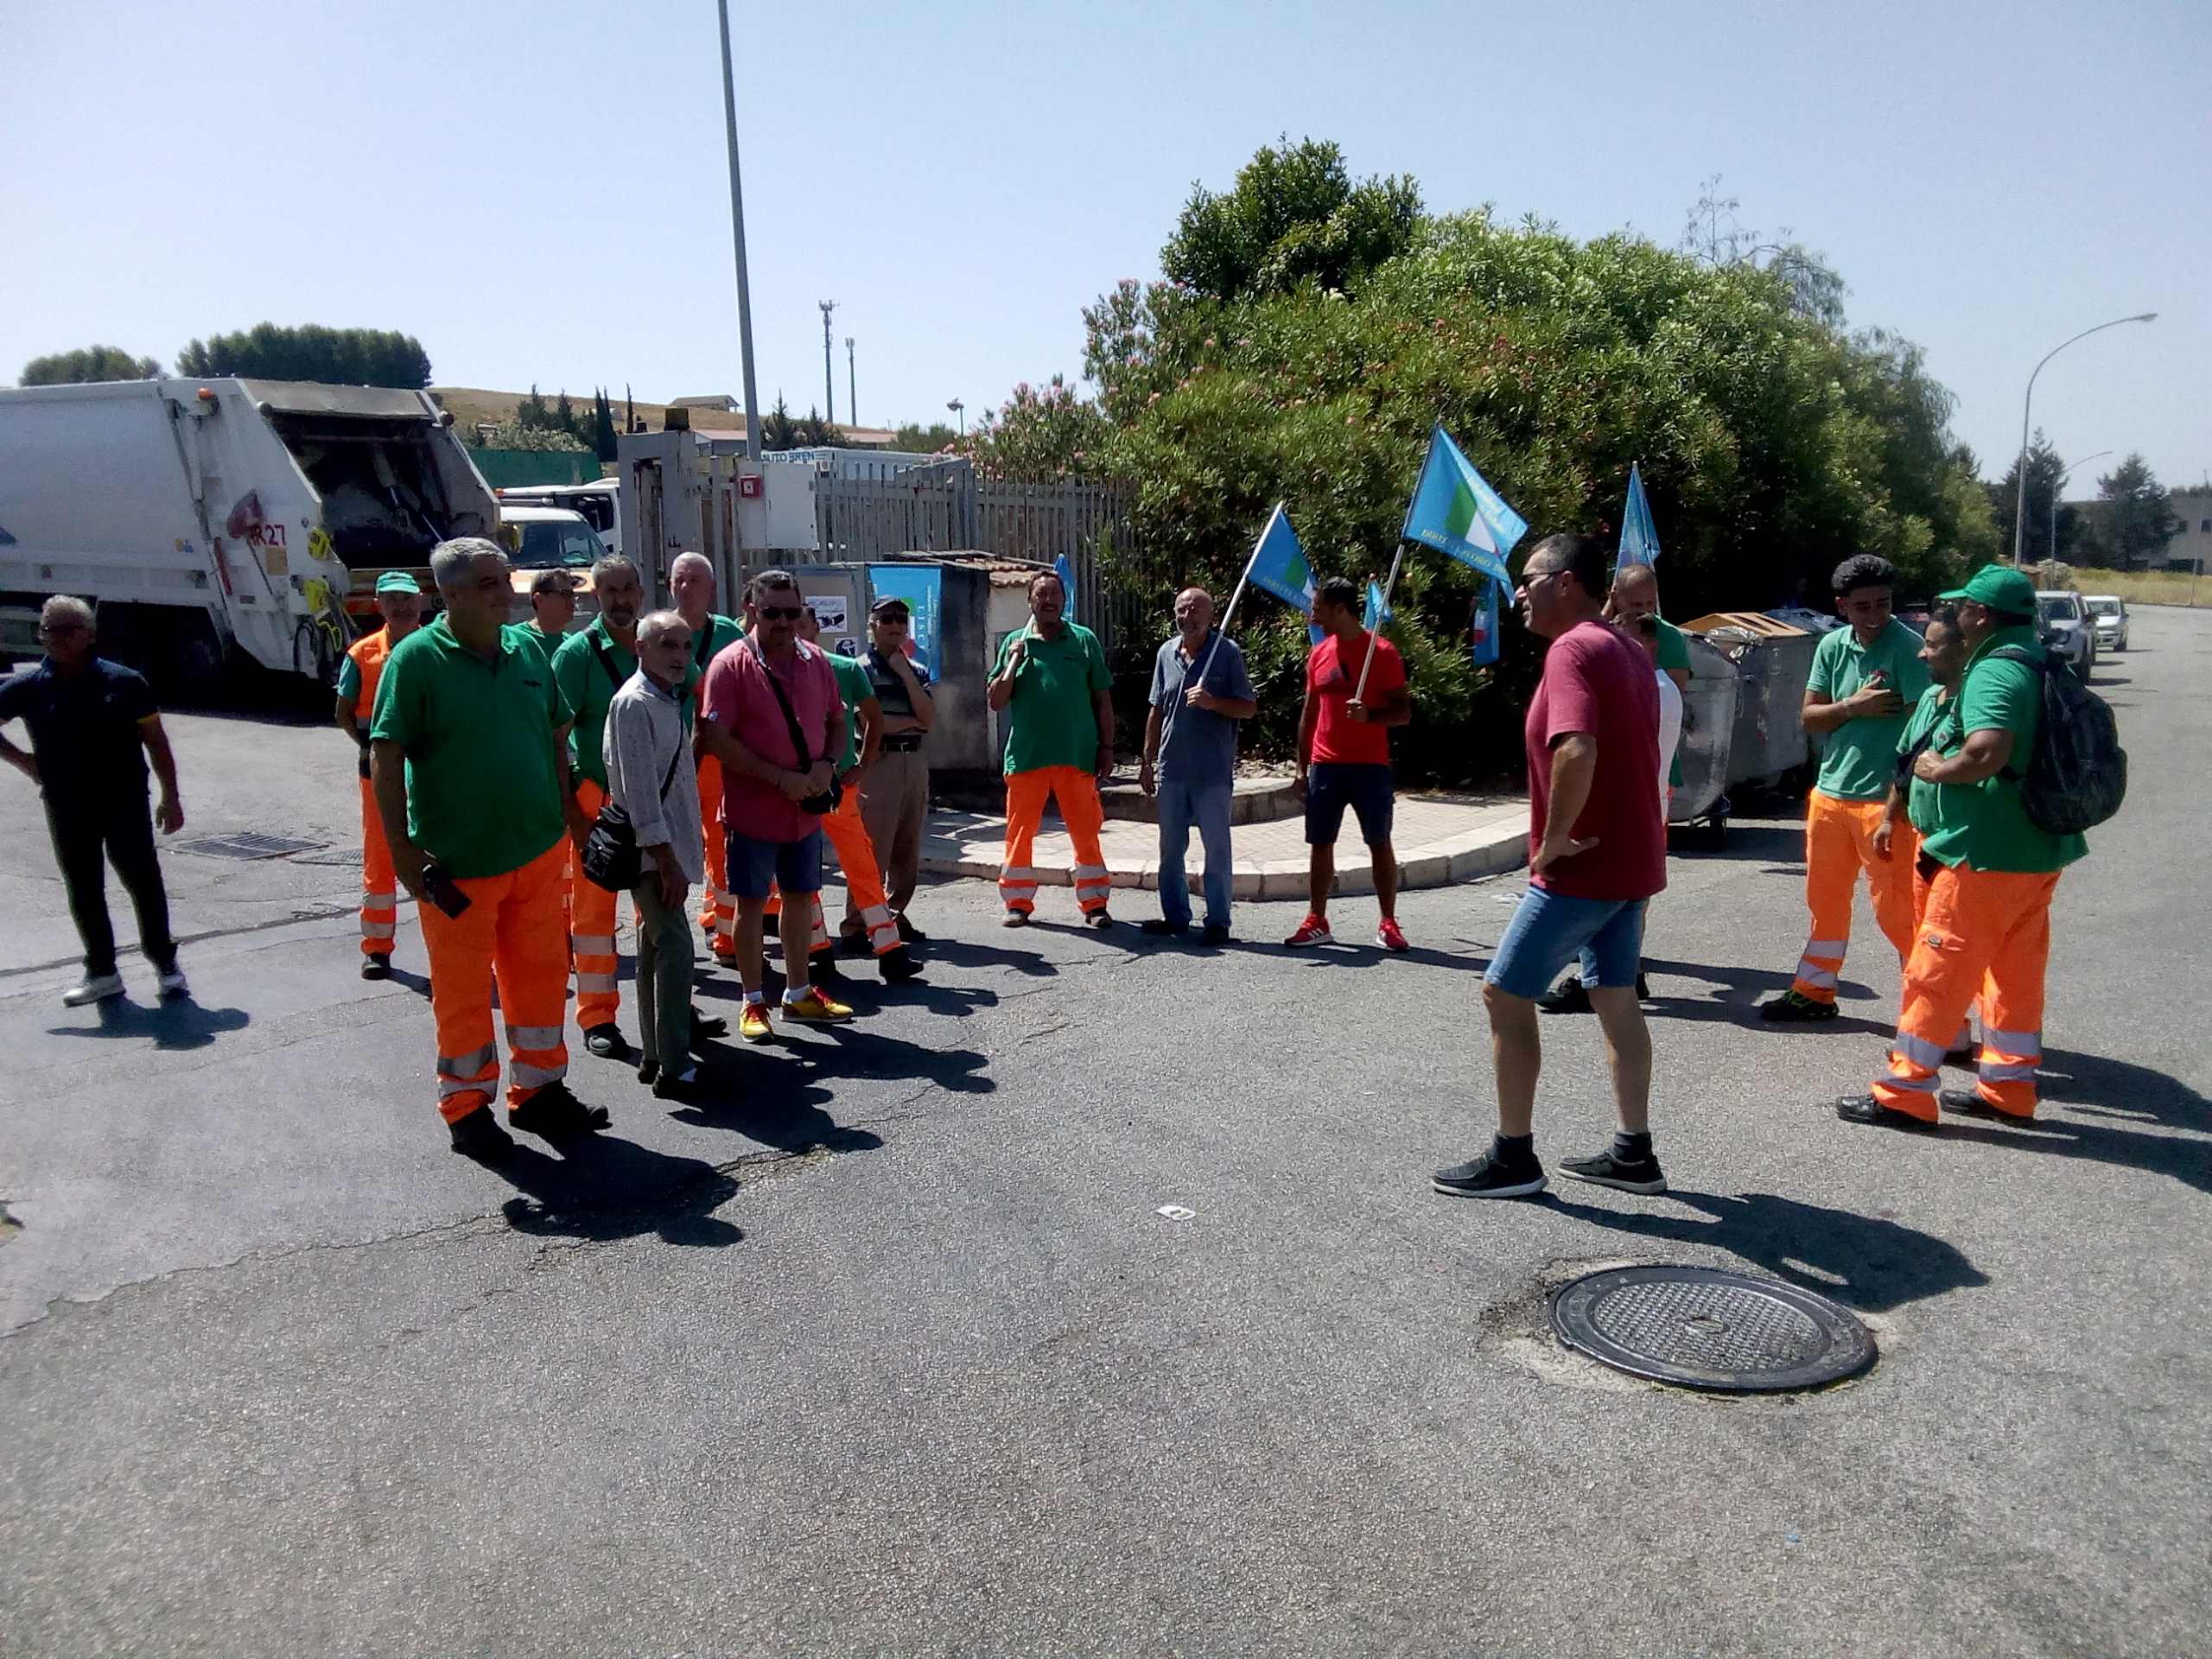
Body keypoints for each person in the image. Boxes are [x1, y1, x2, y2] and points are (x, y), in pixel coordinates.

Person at [1433, 533, 1666, 1199]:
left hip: (1585, 868)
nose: (1519, 595)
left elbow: (1577, 749)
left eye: (1527, 580)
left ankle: (1514, 1158)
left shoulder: (1574, 648)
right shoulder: (1625, 646)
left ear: (1566, 582)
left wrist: (1555, 838)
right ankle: (1633, 1153)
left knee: (1504, 994)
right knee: (1615, 997)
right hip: (1632, 863)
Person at [370, 537, 604, 1160]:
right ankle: (467, 1105)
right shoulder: (415, 661)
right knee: (464, 991)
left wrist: (572, 822)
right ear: (448, 596)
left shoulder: (527, 648)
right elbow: (386, 757)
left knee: (541, 979)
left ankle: (539, 1092)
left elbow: (556, 740)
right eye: (490, 585)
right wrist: (403, 856)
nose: (508, 594)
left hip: (535, 853)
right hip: (459, 865)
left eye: (505, 580)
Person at [1837, 565, 2088, 1130]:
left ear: (1981, 615)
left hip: (1983, 853)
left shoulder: (1994, 673)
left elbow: (1986, 752)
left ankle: (1904, 1092)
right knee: (2014, 975)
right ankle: (2009, 1087)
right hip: (2036, 850)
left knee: (1936, 968)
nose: (1958, 616)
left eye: (1966, 608)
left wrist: (1937, 769)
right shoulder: (2039, 658)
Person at [1759, 555, 1930, 1023]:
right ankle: (1814, 993)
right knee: (1824, 903)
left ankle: (1934, 1015)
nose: (1875, 616)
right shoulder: (1833, 646)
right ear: (1842, 606)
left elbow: (1926, 733)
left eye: (1883, 604)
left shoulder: (1909, 649)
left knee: (1899, 913)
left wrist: (1898, 806)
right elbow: (1809, 718)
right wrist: (1853, 706)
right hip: (1831, 796)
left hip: (1884, 803)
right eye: (1863, 607)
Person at [0, 595, 188, 1007]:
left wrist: (170, 796)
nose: (57, 638)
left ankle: (165, 964)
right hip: (65, 804)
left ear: (88, 634)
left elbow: (155, 742)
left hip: (124, 801)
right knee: (84, 887)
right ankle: (102, 972)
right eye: (49, 630)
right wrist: (21, 760)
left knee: (142, 882)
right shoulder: (29, 688)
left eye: (68, 630)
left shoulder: (124, 682)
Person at [695, 569, 855, 1044]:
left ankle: (798, 991)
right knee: (750, 904)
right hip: (752, 812)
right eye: (773, 613)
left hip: (804, 810)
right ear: (752, 612)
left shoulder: (816, 662)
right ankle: (752, 1000)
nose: (784, 622)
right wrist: (778, 778)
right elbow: (716, 739)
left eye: (793, 612)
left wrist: (827, 764)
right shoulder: (729, 665)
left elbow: (837, 721)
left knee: (802, 899)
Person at [552, 555, 696, 1058]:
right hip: (599, 799)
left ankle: (668, 1013)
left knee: (657, 917)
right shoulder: (575, 655)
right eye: (608, 591)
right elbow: (557, 738)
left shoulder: (664, 640)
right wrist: (574, 813)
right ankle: (597, 1016)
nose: (619, 599)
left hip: (651, 799)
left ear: (640, 590)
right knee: (593, 918)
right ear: (594, 595)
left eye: (628, 589)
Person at [1537, 610, 1677, 1013]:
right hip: (1645, 808)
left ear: (1648, 643)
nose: (1613, 641)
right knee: (1626, 907)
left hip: (1633, 810)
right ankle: (1623, 975)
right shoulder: (1653, 684)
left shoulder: (1653, 687)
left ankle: (1601, 976)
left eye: (1623, 632)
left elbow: (1592, 749)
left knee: (1507, 985)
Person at [792, 602, 922, 985]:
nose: (796, 634)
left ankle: (889, 950)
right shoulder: (773, 673)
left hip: (838, 786)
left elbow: (874, 717)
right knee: (801, 872)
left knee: (863, 867)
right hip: (793, 788)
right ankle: (817, 950)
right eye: (789, 626)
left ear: (816, 628)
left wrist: (862, 765)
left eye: (803, 625)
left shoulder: (845, 669)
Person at [605, 610, 705, 1098]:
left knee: (654, 949)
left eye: (686, 647)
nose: (679, 657)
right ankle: (675, 1062)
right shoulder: (634, 704)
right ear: (641, 649)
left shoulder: (666, 699)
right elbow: (640, 793)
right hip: (652, 854)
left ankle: (655, 1056)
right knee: (676, 949)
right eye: (668, 645)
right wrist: (665, 860)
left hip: (667, 850)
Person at [1284, 575, 1412, 951]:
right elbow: (1308, 713)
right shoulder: (1319, 652)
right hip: (1325, 765)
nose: (1313, 615)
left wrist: (1370, 716)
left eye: (1319, 607)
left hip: (1370, 766)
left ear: (1340, 609)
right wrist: (1300, 767)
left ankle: (1388, 921)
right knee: (1320, 843)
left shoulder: (1382, 652)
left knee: (1379, 841)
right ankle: (1317, 919)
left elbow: (1403, 712)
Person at [987, 571, 1116, 928]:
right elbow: (996, 700)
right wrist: (1014, 659)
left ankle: (1094, 903)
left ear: (1064, 600)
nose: (1048, 600)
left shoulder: (1084, 640)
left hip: (1077, 755)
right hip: (1028, 756)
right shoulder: (1015, 642)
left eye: (1054, 594)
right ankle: (1017, 902)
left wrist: (1107, 747)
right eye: (1041, 595)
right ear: (1029, 602)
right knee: (1020, 833)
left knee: (1086, 831)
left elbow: (1103, 699)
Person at [1140, 586, 1257, 943]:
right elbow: (1156, 707)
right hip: (1172, 768)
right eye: (1181, 610)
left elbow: (1248, 707)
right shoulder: (1165, 653)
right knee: (1170, 849)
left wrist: (1213, 702)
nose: (1187, 617)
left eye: (1194, 610)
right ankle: (1175, 916)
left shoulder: (1227, 653)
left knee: (1217, 848)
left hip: (1212, 772)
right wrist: (1147, 758)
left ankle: (1218, 921)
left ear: (1210, 616)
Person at [335, 571, 423, 979]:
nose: (402, 606)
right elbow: (343, 711)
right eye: (393, 600)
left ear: (420, 601)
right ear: (379, 606)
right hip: (380, 771)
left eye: (408, 598)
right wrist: (371, 750)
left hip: (430, 767)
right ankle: (377, 948)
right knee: (380, 857)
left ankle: (449, 947)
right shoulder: (361, 654)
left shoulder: (438, 647)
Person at [668, 551, 746, 965]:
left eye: (695, 580)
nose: (686, 588)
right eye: (680, 580)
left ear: (712, 589)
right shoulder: (658, 632)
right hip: (669, 756)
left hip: (716, 756)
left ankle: (727, 935)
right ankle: (663, 936)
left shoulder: (729, 634)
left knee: (721, 845)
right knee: (667, 845)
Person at [858, 595, 935, 942]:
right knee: (873, 848)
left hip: (914, 762)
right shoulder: (859, 669)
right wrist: (908, 722)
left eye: (901, 620)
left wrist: (904, 673)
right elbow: (873, 723)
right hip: (880, 762)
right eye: (886, 619)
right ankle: (857, 924)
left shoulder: (917, 670)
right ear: (872, 625)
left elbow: (929, 719)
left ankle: (893, 914)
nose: (894, 626)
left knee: (908, 847)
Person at [518, 568, 577, 664]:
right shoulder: (514, 640)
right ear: (539, 599)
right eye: (564, 594)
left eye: (572, 595)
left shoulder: (573, 645)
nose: (572, 602)